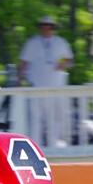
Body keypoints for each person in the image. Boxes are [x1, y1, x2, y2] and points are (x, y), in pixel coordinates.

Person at [18, 16, 74, 146]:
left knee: (55, 117)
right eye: (43, 26)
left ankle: (54, 143)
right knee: (36, 117)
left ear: (53, 28)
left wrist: (63, 65)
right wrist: (19, 79)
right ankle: (35, 144)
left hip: (56, 86)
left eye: (49, 26)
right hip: (36, 86)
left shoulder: (61, 42)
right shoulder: (32, 43)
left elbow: (69, 60)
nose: (46, 28)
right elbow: (24, 62)